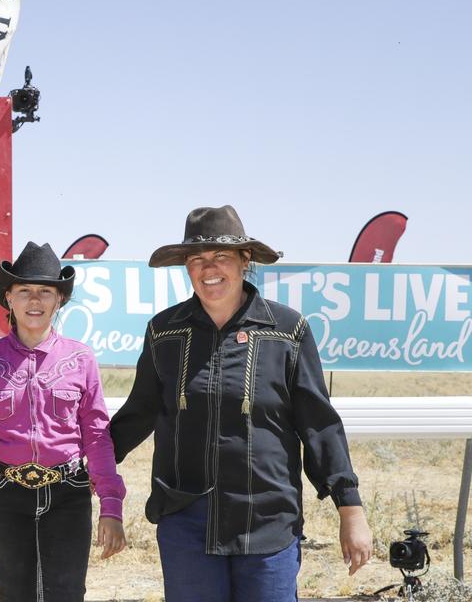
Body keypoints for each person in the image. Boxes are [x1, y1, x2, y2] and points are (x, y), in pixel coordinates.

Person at [108, 205, 373, 602]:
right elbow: (138, 413)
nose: (208, 268)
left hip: (267, 522)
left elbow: (318, 424)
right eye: (197, 259)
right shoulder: (164, 332)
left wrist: (349, 509)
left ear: (245, 261)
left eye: (221, 257)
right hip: (185, 521)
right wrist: (81, 465)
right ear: (186, 267)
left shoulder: (287, 331)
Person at [0, 241, 126, 602]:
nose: (34, 301)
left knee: (67, 594)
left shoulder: (81, 360)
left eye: (45, 292)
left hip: (68, 495)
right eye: (24, 291)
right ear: (9, 298)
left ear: (60, 301)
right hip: (6, 496)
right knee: (15, 594)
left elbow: (98, 437)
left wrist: (111, 506)